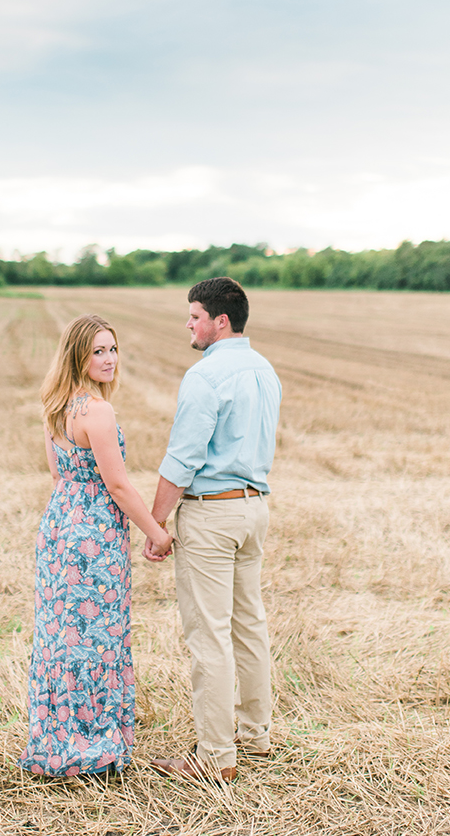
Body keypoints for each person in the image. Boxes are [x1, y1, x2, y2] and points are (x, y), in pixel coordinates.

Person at [18, 314, 172, 779]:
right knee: (97, 638)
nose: (109, 359)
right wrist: (157, 531)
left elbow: (57, 476)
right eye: (98, 351)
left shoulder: (55, 406)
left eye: (113, 349)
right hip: (94, 536)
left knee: (62, 634)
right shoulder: (98, 412)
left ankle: (58, 741)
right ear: (78, 357)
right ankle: (94, 745)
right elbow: (119, 486)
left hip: (60, 525)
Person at [144, 277, 281, 784]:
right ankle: (255, 735)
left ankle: (216, 754)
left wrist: (155, 523)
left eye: (195, 316)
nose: (189, 324)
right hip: (255, 509)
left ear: (220, 321)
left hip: (213, 513)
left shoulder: (205, 376)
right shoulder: (266, 371)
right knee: (249, 625)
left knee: (209, 635)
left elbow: (183, 458)